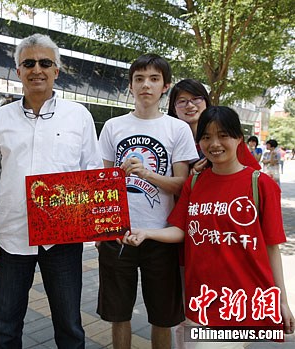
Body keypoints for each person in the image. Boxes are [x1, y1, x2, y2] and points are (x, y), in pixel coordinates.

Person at [0, 33, 103, 349]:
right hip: (12, 239)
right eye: (28, 63)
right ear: (18, 71)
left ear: (57, 70)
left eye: (45, 63)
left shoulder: (80, 116)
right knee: (4, 328)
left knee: (70, 327)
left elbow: (94, 177)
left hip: (63, 239)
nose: (37, 70)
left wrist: (102, 227)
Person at [126, 106, 295, 346]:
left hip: (242, 301)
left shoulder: (261, 184)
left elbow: (272, 248)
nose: (214, 143)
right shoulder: (195, 182)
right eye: (206, 137)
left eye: (223, 135)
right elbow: (182, 230)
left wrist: (282, 301)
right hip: (201, 300)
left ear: (238, 138)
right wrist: (147, 232)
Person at [97, 54, 199, 348]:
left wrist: (147, 174)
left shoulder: (176, 129)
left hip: (161, 236)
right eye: (139, 79)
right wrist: (100, 230)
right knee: (119, 314)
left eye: (154, 79)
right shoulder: (113, 126)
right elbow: (102, 184)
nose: (146, 85)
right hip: (118, 234)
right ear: (130, 85)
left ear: (165, 86)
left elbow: (182, 184)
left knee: (163, 317)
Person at [168, 78, 261, 172]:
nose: (190, 105)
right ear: (174, 109)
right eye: (182, 101)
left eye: (196, 99)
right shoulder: (167, 141)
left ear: (206, 101)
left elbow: (252, 174)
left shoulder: (230, 138)